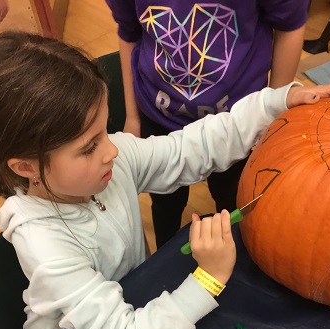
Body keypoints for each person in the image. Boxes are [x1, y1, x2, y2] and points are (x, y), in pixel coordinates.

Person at [0, 31, 330, 329]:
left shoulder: (107, 163)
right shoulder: (46, 246)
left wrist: (276, 103)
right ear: (27, 167)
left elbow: (193, 147)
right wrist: (207, 278)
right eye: (89, 146)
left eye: (105, 131)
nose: (112, 150)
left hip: (133, 305)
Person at [105, 0, 310, 248]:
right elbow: (129, 33)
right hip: (159, 118)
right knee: (165, 204)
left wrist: (273, 113)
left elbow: (290, 24)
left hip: (238, 121)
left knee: (232, 201)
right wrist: (133, 117)